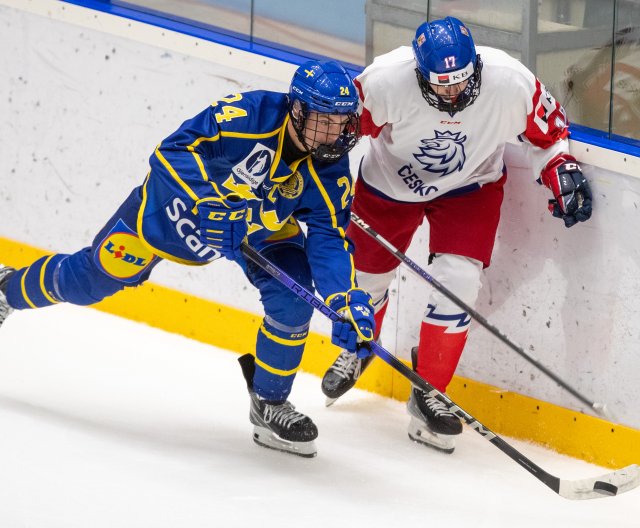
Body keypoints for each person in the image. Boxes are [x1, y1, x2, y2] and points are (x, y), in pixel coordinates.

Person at [0, 60, 375, 458]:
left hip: (256, 227)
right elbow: (170, 152)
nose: (336, 134)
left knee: (294, 297)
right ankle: (8, 288)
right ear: (297, 110)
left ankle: (269, 402)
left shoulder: (332, 167)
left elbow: (328, 238)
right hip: (175, 213)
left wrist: (344, 301)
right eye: (325, 121)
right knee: (90, 279)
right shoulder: (247, 117)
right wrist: (210, 199)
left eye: (343, 123)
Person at [321, 17, 593, 454]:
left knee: (460, 280)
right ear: (418, 72)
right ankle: (359, 346)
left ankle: (430, 389)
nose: (453, 94)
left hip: (471, 188)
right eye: (441, 86)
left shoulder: (510, 81)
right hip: (389, 186)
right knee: (367, 281)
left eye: (461, 83)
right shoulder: (385, 80)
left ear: (477, 67)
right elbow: (338, 135)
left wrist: (559, 165)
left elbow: (550, 133)